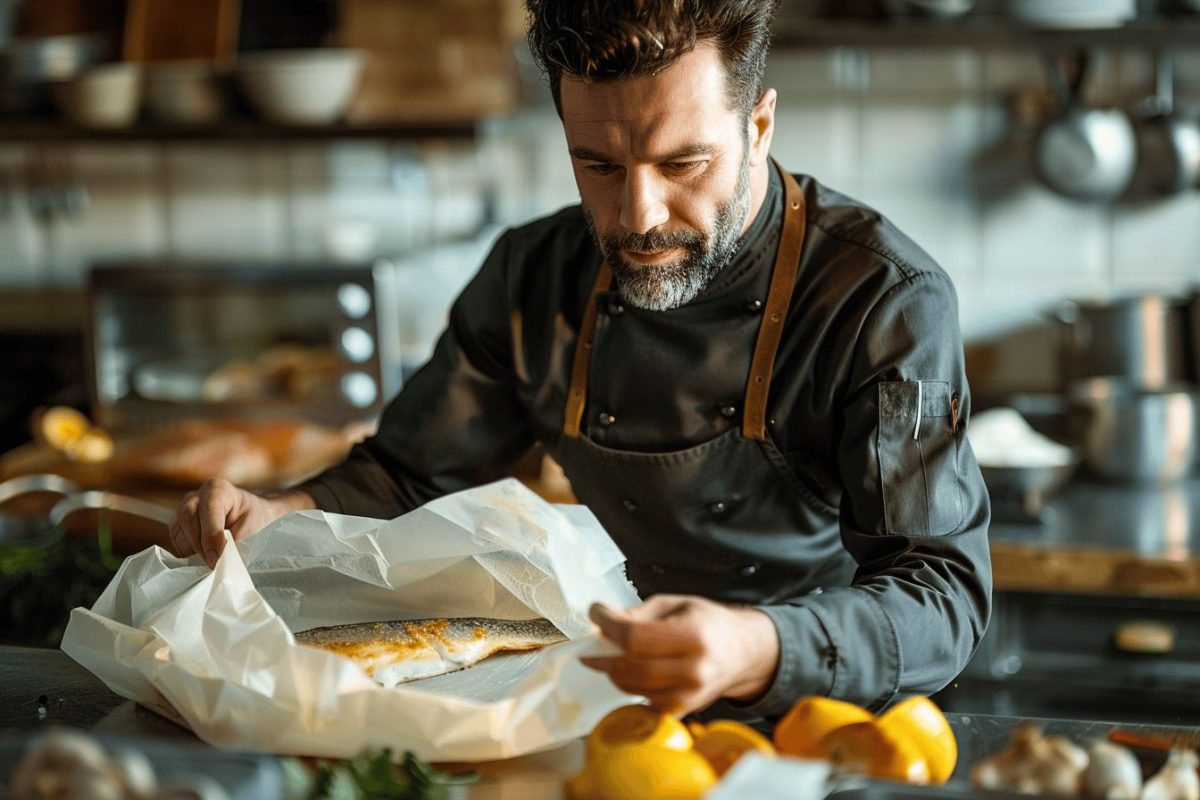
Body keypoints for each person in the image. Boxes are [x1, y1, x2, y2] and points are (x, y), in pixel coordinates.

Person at [170, 0, 991, 720]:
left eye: (683, 163)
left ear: (760, 126)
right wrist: (284, 512)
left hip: (818, 713)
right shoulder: (534, 276)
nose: (638, 216)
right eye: (598, 166)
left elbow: (941, 595)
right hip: (595, 703)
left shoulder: (882, 298)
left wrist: (756, 647)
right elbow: (409, 476)